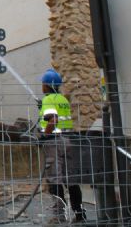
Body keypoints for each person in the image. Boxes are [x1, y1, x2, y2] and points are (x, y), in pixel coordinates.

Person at [39, 68, 87, 223]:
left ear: (46, 85)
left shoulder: (48, 100)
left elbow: (53, 120)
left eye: (43, 83)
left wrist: (44, 136)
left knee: (55, 180)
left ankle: (59, 215)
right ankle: (79, 214)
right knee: (71, 179)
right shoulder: (62, 99)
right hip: (68, 140)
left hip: (54, 142)